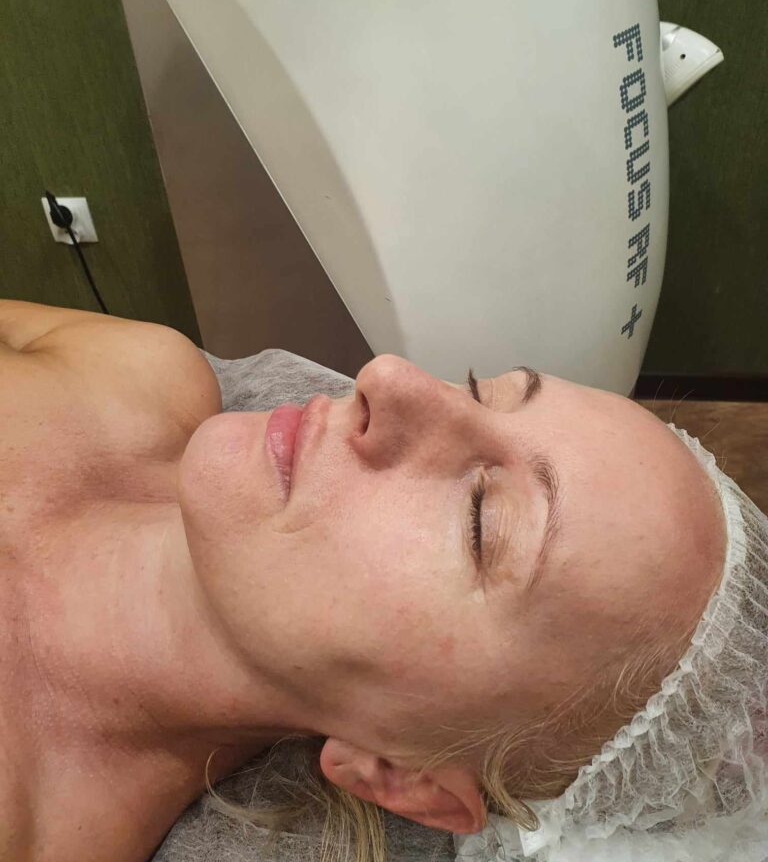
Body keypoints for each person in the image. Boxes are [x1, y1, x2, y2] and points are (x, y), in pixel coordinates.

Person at [0, 299, 764, 862]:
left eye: (479, 520)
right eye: (479, 389)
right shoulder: (132, 369)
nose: (388, 377)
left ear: (404, 780)